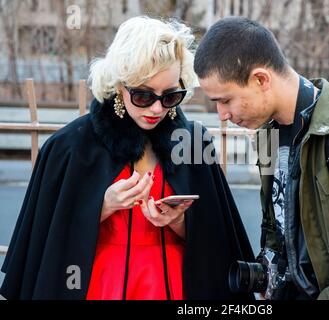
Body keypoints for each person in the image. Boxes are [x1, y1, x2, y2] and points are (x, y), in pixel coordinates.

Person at [0, 16, 254, 300]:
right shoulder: (70, 146)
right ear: (119, 85)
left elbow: (218, 244)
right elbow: (46, 242)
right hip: (96, 287)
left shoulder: (194, 144)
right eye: (143, 96)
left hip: (176, 288)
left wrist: (179, 222)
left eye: (170, 96)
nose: (157, 108)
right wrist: (100, 206)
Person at [194, 16, 329, 300]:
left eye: (225, 100)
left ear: (261, 79)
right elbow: (280, 232)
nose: (222, 115)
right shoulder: (268, 134)